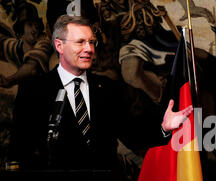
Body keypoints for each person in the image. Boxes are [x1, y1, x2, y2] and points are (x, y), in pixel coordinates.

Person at [8, 14, 192, 170]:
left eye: (92, 42)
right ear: (59, 46)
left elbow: (134, 136)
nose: (89, 49)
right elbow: (19, 151)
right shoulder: (34, 90)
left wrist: (164, 127)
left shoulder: (109, 89)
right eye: (80, 42)